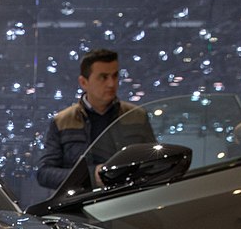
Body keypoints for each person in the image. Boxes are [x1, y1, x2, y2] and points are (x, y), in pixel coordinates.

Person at [36, 48, 154, 193]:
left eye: (115, 76)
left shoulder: (137, 116)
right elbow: (45, 174)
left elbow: (154, 163)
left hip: (128, 202)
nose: (112, 83)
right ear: (84, 82)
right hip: (81, 207)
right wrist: (92, 176)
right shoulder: (62, 122)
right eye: (103, 77)